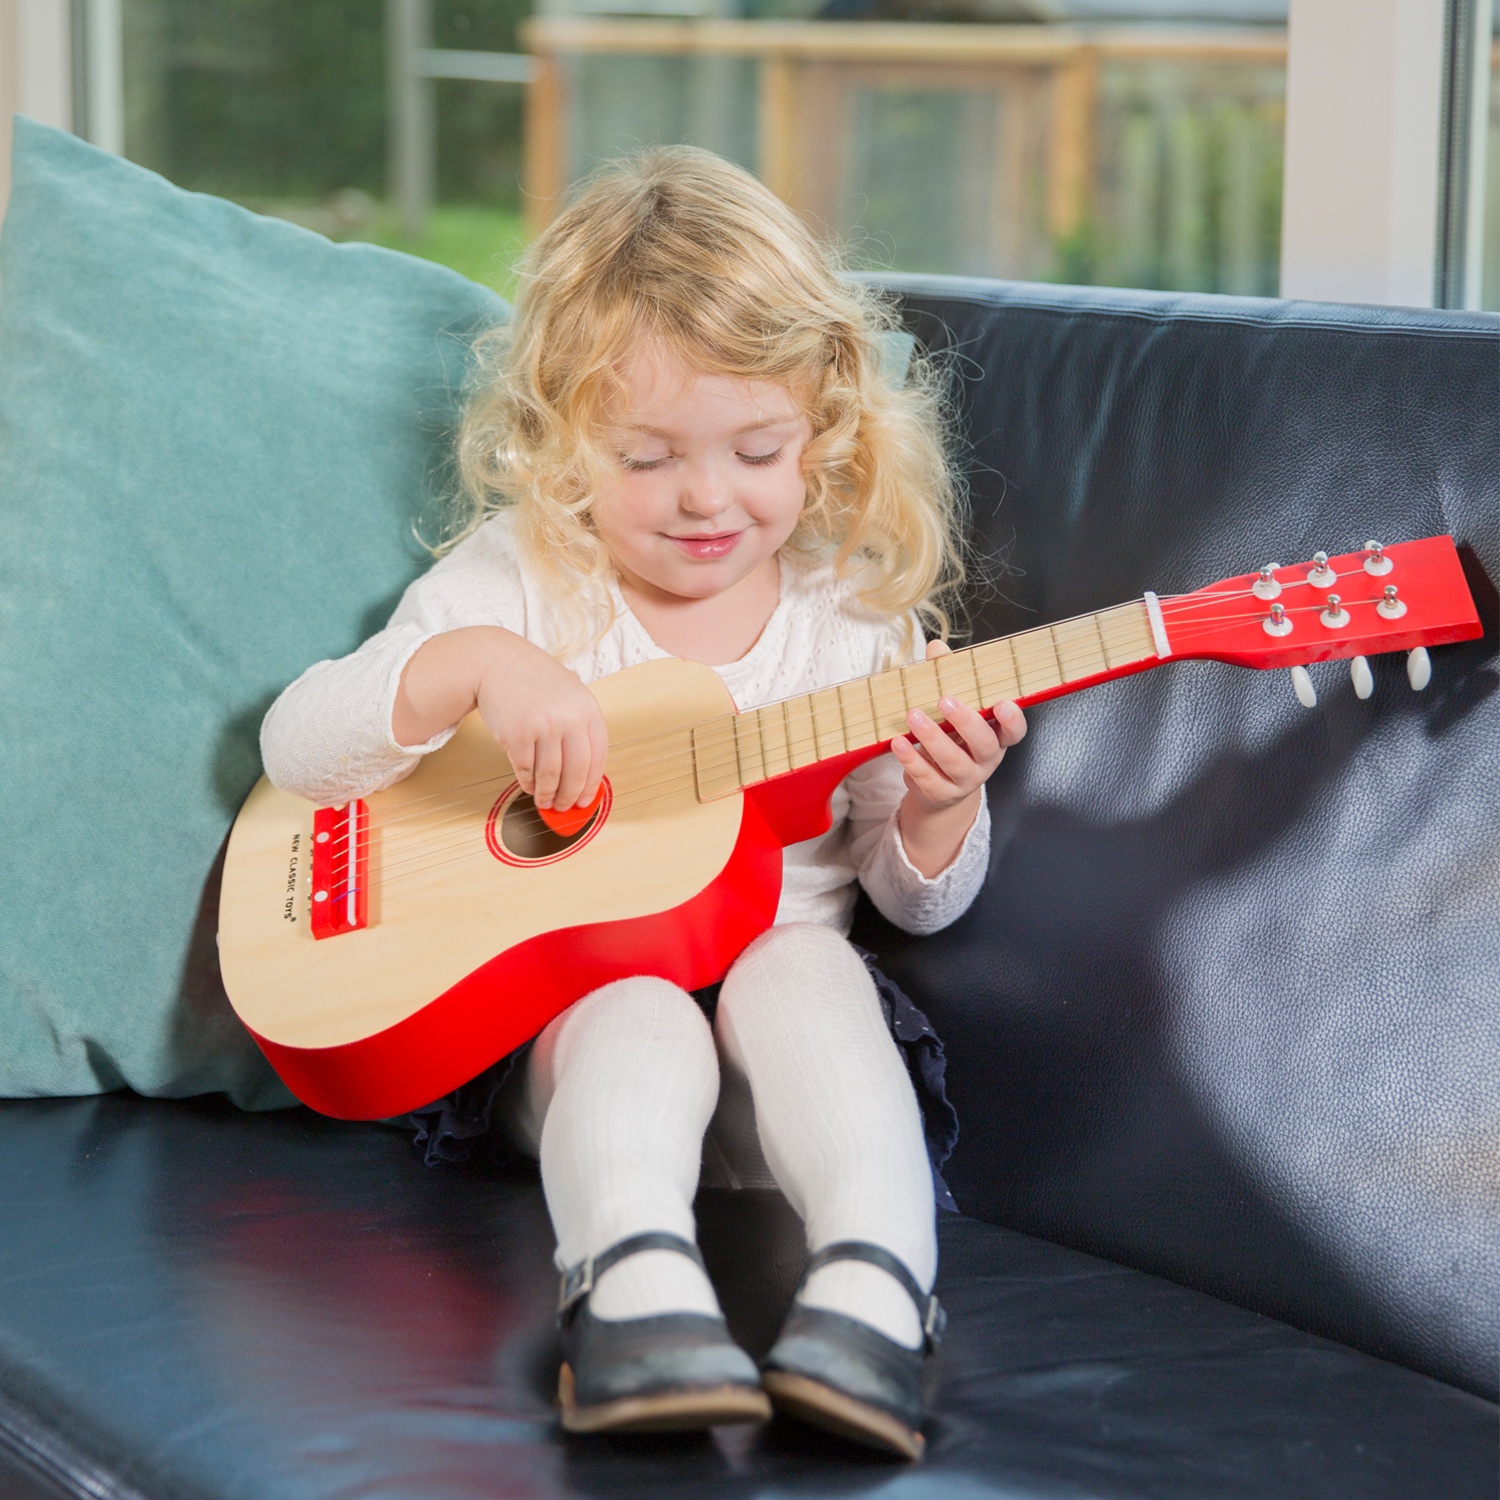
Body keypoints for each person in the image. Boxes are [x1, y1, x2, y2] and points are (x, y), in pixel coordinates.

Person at [260, 145, 1026, 1460]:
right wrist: (480, 669)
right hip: (577, 1066)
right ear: (561, 438)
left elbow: (913, 900)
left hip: (794, 1093)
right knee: (631, 1004)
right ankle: (631, 1298)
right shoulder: (526, 579)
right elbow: (300, 746)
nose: (707, 496)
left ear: (826, 426)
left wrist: (943, 808)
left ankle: (878, 1300)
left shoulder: (851, 618)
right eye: (647, 456)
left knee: (803, 967)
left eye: (757, 448)